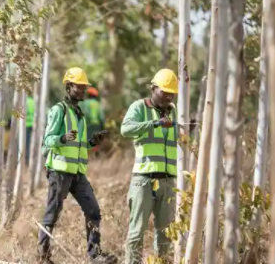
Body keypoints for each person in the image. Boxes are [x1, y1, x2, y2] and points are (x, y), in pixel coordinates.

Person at [37, 67, 117, 264]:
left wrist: (92, 142)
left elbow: (78, 146)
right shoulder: (59, 110)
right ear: (69, 86)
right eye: (79, 87)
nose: (82, 91)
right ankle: (43, 256)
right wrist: (62, 138)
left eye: (84, 87)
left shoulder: (79, 113)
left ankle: (95, 254)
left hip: (78, 174)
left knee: (93, 211)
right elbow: (47, 141)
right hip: (60, 172)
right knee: (52, 214)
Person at [120, 68, 194, 264]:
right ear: (153, 88)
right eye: (164, 91)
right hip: (144, 180)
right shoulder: (139, 107)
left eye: (172, 93)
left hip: (168, 181)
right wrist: (154, 123)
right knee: (136, 233)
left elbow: (176, 138)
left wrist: (187, 130)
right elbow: (125, 129)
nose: (169, 96)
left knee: (165, 235)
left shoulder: (174, 111)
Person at [26, 95, 35, 165]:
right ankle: (29, 160)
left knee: (24, 144)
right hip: (31, 125)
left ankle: (26, 159)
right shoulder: (33, 101)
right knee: (30, 144)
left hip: (24, 126)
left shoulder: (24, 101)